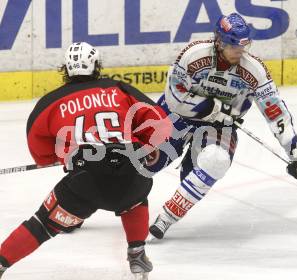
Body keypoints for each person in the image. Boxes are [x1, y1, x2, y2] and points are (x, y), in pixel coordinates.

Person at [0, 42, 172, 279]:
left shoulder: (50, 102)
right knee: (134, 195)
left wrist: (60, 156)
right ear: (97, 66)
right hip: (132, 171)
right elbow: (159, 121)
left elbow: (40, 152)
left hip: (85, 181)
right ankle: (137, 253)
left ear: (66, 70)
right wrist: (144, 143)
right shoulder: (119, 89)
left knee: (42, 225)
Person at [147, 13, 297, 240]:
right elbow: (174, 96)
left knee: (216, 161)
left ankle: (167, 217)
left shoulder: (254, 71)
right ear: (219, 41)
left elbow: (275, 112)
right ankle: (82, 204)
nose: (239, 51)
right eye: (233, 45)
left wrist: (295, 151)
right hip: (177, 116)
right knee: (141, 163)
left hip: (219, 127)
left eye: (243, 46)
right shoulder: (194, 55)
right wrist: (214, 108)